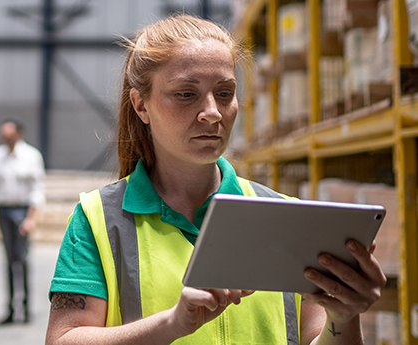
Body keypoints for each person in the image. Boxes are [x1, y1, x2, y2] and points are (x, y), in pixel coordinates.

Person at [45, 14, 386, 345]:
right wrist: (172, 324)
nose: (212, 111)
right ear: (141, 105)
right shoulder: (97, 221)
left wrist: (344, 317)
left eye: (224, 93)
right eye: (186, 94)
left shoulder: (287, 217)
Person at [0, 120, 45, 325]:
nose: (5, 139)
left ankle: (25, 306)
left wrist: (31, 219)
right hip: (4, 210)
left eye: (9, 135)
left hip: (22, 209)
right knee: (9, 261)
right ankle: (10, 306)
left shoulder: (31, 156)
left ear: (18, 134)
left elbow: (37, 188)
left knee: (22, 260)